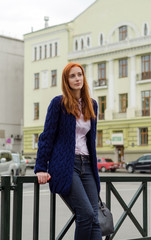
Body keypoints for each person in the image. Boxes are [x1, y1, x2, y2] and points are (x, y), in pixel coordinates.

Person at [34, 62, 102, 240]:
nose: (77, 78)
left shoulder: (92, 105)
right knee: (86, 214)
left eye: (79, 75)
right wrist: (41, 167)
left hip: (87, 165)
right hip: (67, 166)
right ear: (66, 80)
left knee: (95, 219)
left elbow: (90, 140)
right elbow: (47, 136)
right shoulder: (59, 103)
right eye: (72, 76)